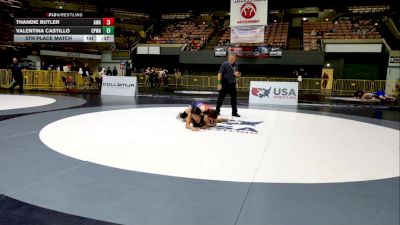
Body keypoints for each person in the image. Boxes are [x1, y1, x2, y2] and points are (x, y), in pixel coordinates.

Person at [216, 53, 241, 117]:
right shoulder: (224, 64)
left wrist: (238, 74)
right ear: (228, 57)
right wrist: (219, 83)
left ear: (235, 58)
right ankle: (217, 111)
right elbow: (219, 74)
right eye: (230, 58)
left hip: (232, 83)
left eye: (233, 58)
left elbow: (239, 74)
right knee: (220, 98)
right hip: (224, 83)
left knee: (234, 99)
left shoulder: (237, 64)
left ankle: (234, 112)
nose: (231, 59)